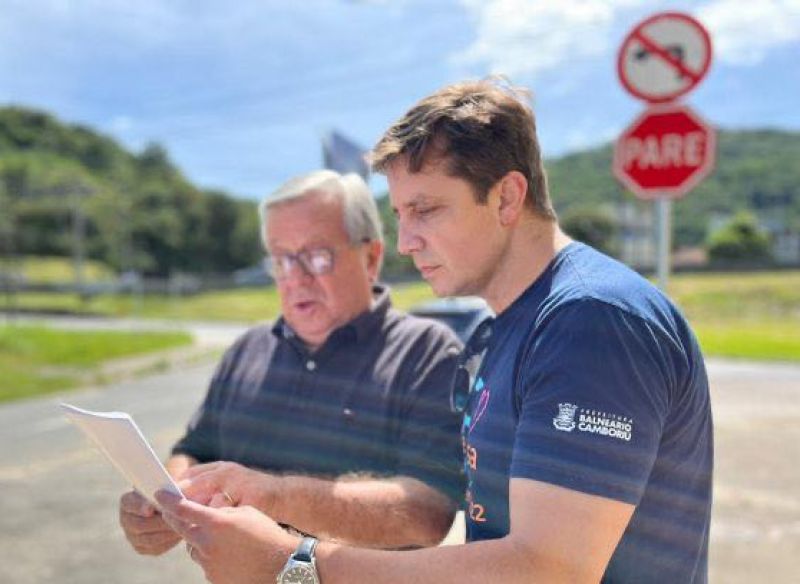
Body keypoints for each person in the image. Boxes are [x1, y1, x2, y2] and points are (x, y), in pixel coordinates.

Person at [156, 78, 713, 584]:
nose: (405, 242)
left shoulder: (591, 319)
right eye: (400, 214)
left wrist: (294, 567)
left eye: (425, 209)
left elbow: (549, 570)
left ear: (507, 197)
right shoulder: (506, 329)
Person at [119, 170, 465, 554]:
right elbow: (196, 448)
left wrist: (273, 496)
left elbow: (428, 513)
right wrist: (164, 499)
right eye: (282, 260)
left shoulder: (426, 353)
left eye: (317, 257)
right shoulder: (247, 349)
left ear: (370, 257)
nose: (296, 278)